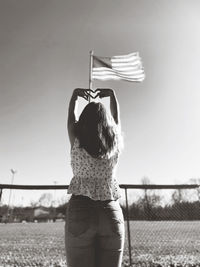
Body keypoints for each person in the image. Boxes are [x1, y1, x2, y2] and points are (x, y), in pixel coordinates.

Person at [65, 88, 124, 267]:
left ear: (82, 123)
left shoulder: (76, 140)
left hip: (80, 210)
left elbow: (71, 120)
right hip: (110, 211)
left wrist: (74, 96)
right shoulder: (115, 142)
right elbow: (117, 120)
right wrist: (113, 95)